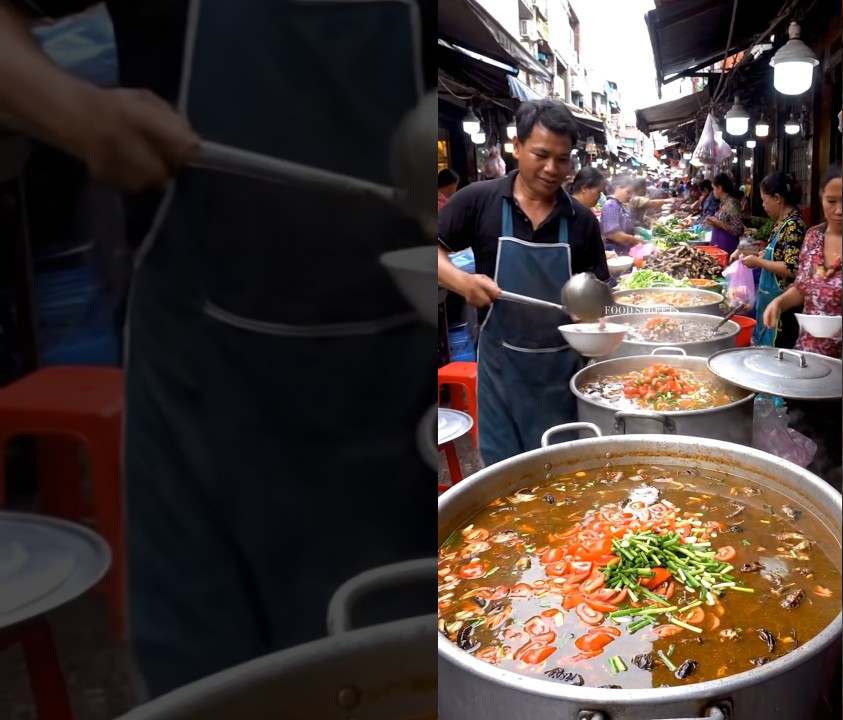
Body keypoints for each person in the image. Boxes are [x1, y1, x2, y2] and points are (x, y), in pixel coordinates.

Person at [0, 0, 435, 697]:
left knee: (403, 672)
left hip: (393, 428)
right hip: (204, 411)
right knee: (215, 689)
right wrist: (78, 113)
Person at [437, 100, 608, 466]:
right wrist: (461, 280)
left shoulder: (581, 221)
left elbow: (598, 297)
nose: (551, 169)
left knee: (562, 476)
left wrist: (596, 322)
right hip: (500, 373)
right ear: (517, 146)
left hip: (561, 376)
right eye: (541, 155)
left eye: (562, 160)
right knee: (504, 479)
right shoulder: (478, 200)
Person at [763, 166, 842, 360]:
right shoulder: (813, 236)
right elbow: (802, 286)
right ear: (822, 197)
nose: (839, 210)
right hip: (808, 353)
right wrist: (780, 302)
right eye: (831, 201)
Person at [744, 171, 805, 348]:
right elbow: (777, 254)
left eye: (764, 200)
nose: (763, 205)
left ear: (777, 198)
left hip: (783, 306)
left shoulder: (794, 225)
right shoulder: (782, 222)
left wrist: (757, 262)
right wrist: (758, 255)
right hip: (768, 300)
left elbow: (792, 268)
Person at [599, 176, 646, 252]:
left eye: (631, 193)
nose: (630, 196)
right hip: (615, 252)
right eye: (628, 192)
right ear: (618, 188)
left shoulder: (619, 205)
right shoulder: (610, 206)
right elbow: (614, 235)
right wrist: (635, 240)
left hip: (624, 250)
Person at [703, 173, 745, 255]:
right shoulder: (722, 203)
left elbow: (739, 229)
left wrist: (719, 223)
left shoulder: (732, 204)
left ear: (720, 188)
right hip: (718, 248)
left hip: (727, 249)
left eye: (713, 188)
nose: (713, 191)